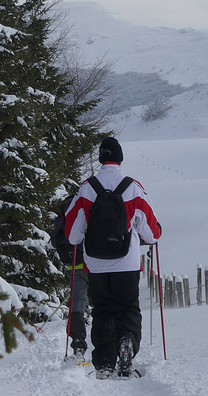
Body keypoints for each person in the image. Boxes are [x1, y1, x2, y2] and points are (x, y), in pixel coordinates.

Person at [65, 137, 161, 379]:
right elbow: (151, 233)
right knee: (128, 308)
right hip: (127, 263)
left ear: (100, 158)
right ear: (119, 158)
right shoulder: (133, 187)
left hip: (95, 264)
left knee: (102, 310)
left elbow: (72, 235)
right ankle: (127, 341)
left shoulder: (86, 189)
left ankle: (105, 362)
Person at [50, 196, 89, 361]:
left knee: (77, 300)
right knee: (105, 301)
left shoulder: (66, 211)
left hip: (71, 261)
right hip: (90, 261)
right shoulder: (88, 206)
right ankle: (110, 348)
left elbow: (55, 240)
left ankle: (78, 344)